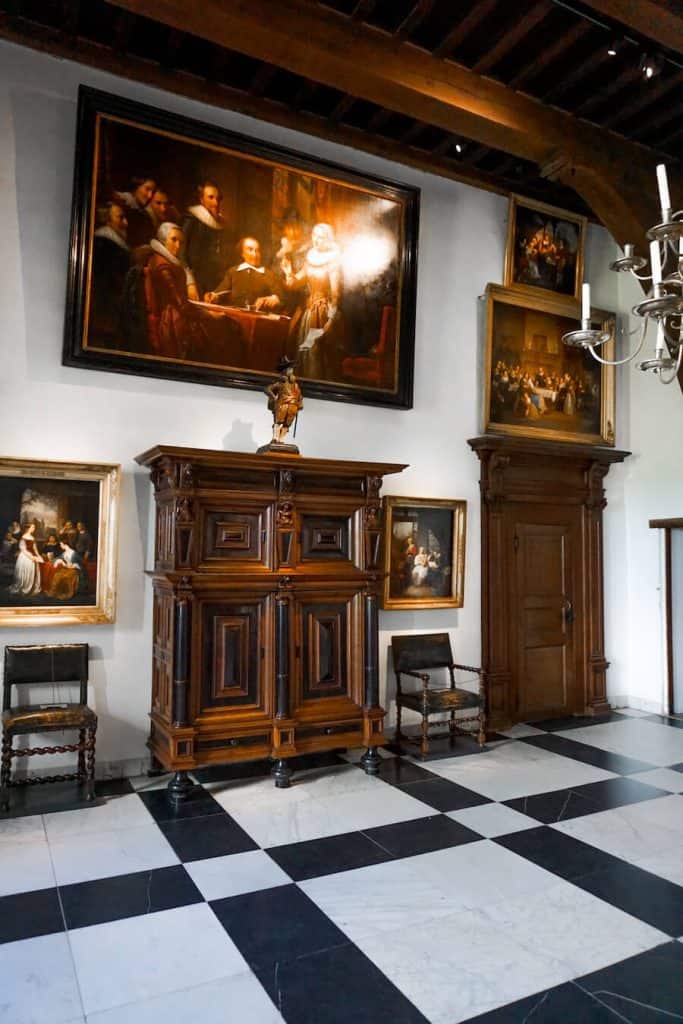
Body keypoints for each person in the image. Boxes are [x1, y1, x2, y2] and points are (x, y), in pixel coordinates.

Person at [145, 222, 222, 360]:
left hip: (176, 314)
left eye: (181, 241)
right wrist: (208, 315)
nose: (178, 246)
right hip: (170, 322)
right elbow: (180, 304)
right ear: (163, 239)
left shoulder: (167, 261)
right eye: (173, 240)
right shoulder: (163, 267)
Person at [283, 222, 342, 379]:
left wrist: (331, 319)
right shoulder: (310, 260)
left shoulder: (333, 261)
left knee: (317, 352)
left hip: (323, 311)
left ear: (328, 239)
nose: (316, 239)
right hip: (308, 310)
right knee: (300, 348)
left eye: (321, 237)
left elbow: (336, 294)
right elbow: (295, 284)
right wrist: (289, 273)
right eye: (314, 235)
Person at [181, 180, 231, 298]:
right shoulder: (191, 220)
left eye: (218, 199)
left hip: (215, 283)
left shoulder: (222, 224)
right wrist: (189, 282)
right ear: (201, 200)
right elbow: (181, 253)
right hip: (195, 281)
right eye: (211, 198)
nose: (215, 203)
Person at [206, 237, 282, 310]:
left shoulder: (268, 274)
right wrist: (212, 296)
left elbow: (282, 298)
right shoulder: (233, 272)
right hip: (233, 316)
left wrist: (274, 298)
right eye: (250, 250)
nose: (254, 254)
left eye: (257, 250)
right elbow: (220, 293)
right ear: (242, 253)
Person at [91, 200, 131, 338]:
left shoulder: (114, 243)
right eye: (120, 218)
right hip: (106, 312)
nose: (126, 223)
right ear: (107, 221)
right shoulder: (103, 243)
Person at [264, 358, 304, 446]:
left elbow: (299, 396)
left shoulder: (296, 385)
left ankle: (281, 439)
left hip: (293, 406)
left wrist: (300, 404)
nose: (291, 371)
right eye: (289, 369)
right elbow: (267, 389)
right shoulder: (280, 383)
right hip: (282, 404)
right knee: (278, 422)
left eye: (292, 369)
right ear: (285, 371)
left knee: (287, 423)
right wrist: (274, 397)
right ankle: (275, 437)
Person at [115, 175, 157, 248]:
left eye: (152, 192)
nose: (150, 196)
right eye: (147, 189)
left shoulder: (146, 215)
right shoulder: (120, 200)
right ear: (137, 186)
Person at [9, 523, 43, 596]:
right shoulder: (24, 537)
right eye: (33, 527)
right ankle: (25, 586)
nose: (34, 529)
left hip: (32, 555)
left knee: (33, 571)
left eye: (34, 527)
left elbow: (34, 548)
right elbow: (23, 549)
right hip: (25, 556)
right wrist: (31, 557)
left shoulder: (32, 537)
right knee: (26, 571)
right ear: (28, 528)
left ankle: (31, 587)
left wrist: (38, 555)